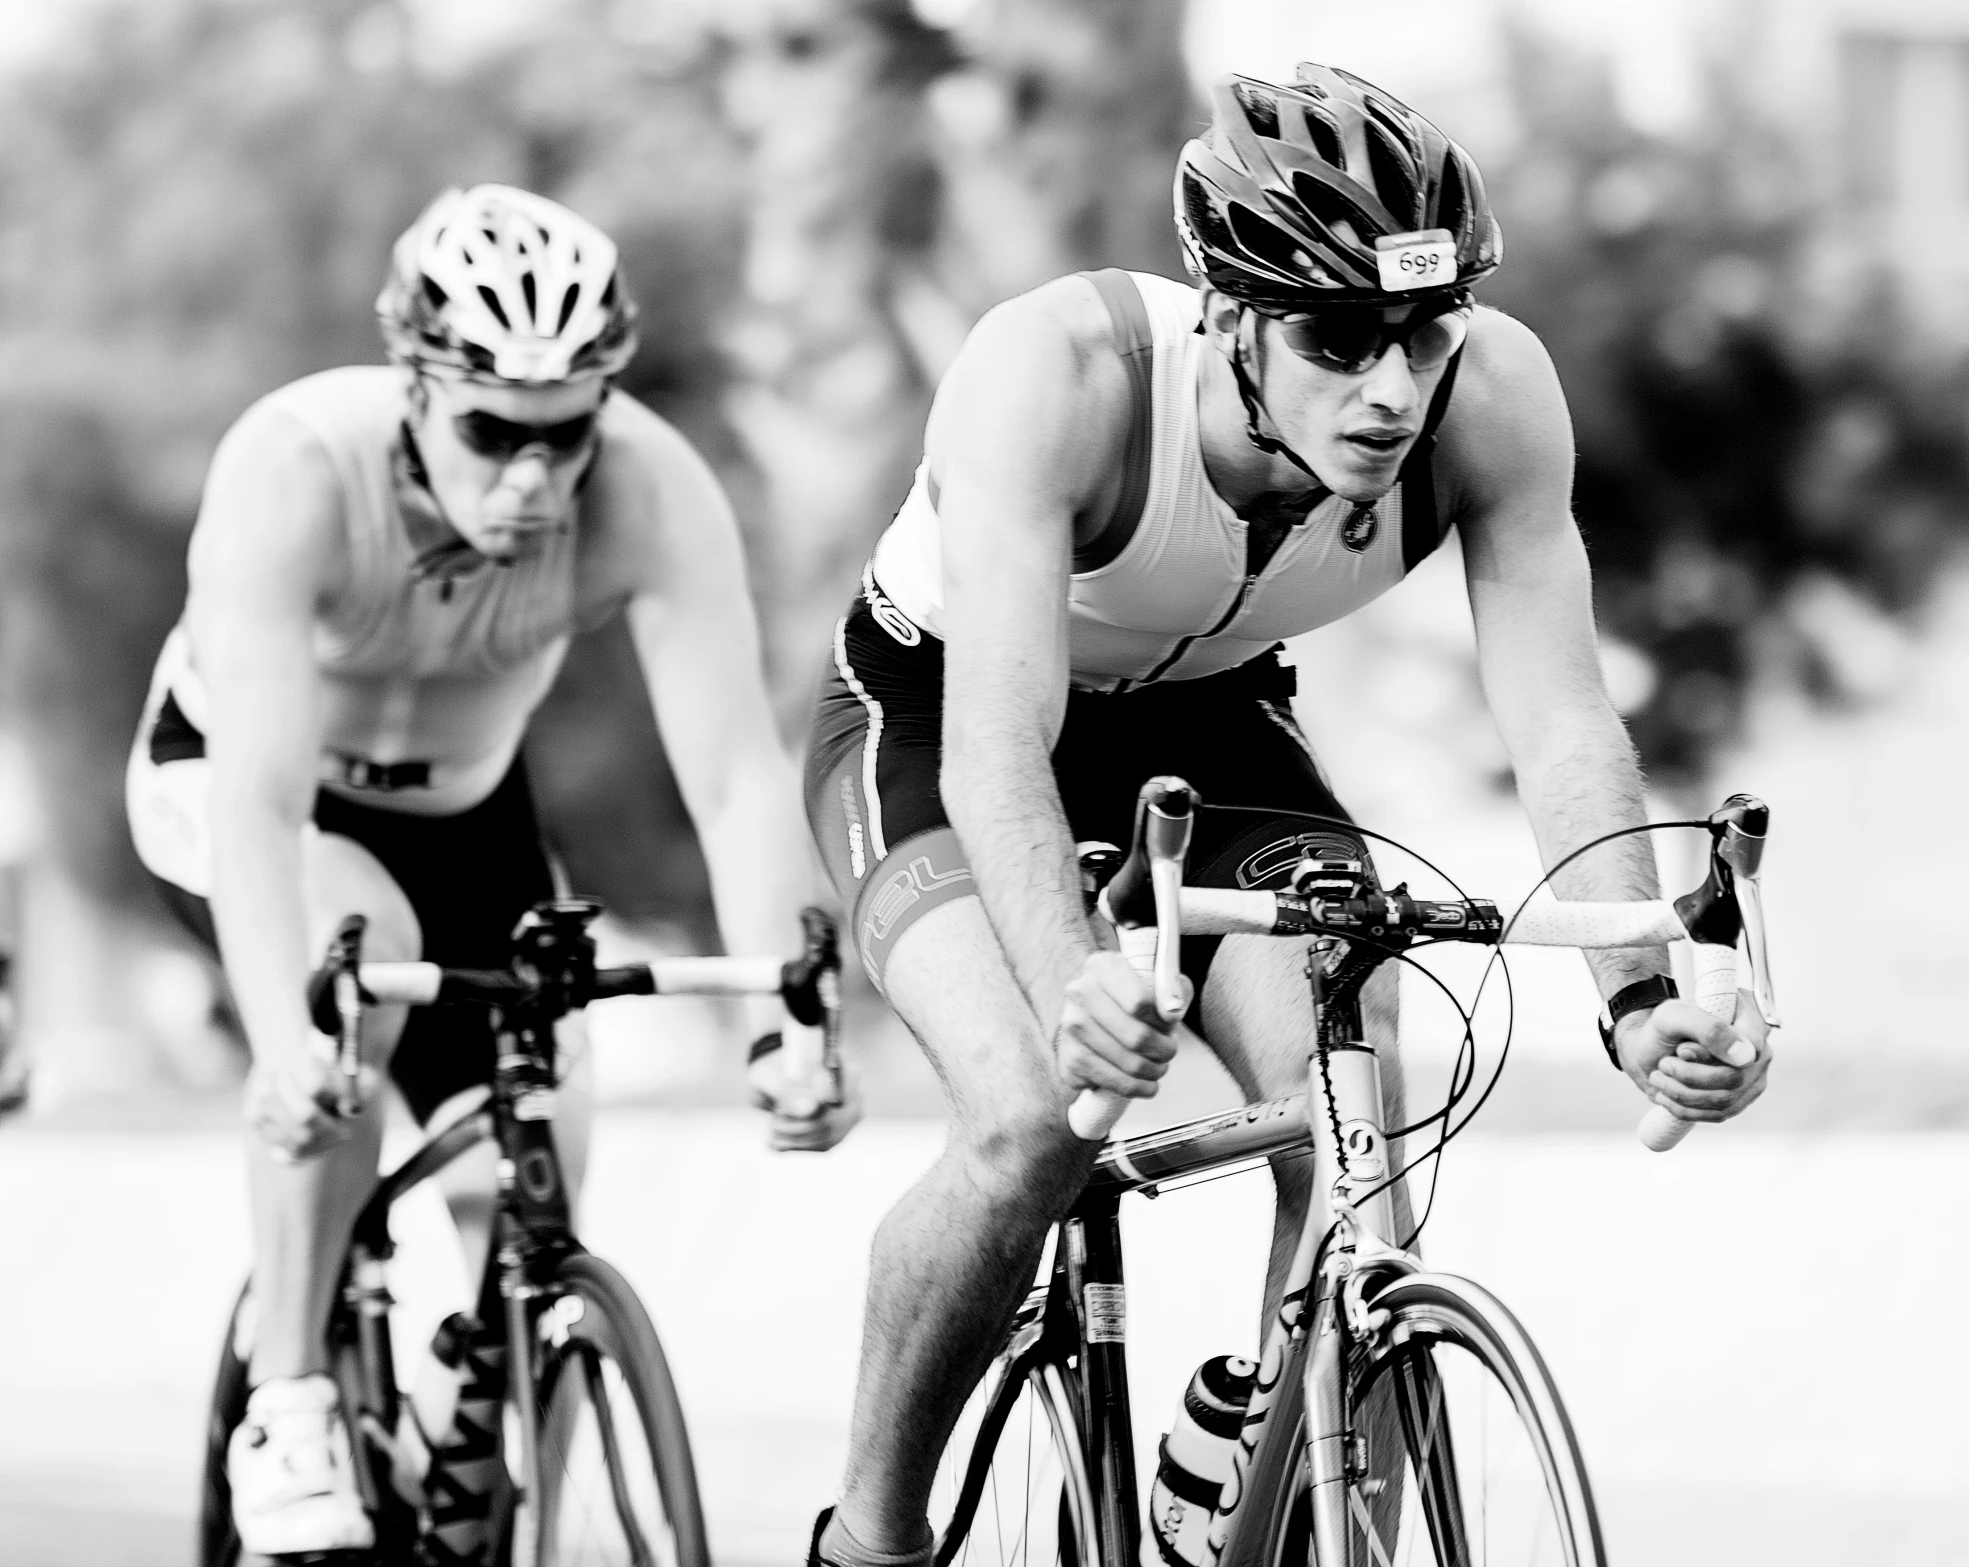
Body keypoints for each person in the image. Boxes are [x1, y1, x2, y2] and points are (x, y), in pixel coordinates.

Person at [800, 64, 1773, 1567]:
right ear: (1234, 317)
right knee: (1027, 1120)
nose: (1391, 390)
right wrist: (1077, 984)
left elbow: (1562, 717)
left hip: (1211, 734)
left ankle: (1270, 1434)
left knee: (1356, 1098)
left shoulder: (1491, 399)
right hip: (941, 721)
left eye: (1422, 333)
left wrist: (1637, 993)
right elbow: (1002, 740)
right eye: (1339, 341)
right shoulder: (1055, 371)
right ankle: (868, 1537)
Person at [124, 184, 859, 1559]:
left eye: (563, 437)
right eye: (491, 434)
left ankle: (491, 1445)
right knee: (350, 967)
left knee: (549, 1131)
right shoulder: (294, 468)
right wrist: (285, 1044)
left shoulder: (648, 488)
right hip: (238, 787)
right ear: (413, 387)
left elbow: (732, 776)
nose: (532, 478)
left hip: (468, 806)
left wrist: (786, 1019)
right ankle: (289, 1397)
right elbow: (265, 796)